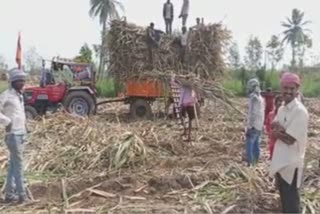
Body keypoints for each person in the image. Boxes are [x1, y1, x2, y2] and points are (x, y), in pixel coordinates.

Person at [270, 72, 309, 213]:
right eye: (285, 88)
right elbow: (275, 125)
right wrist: (278, 129)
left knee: (291, 203)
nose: (288, 91)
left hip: (291, 164)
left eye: (292, 88)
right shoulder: (281, 109)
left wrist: (277, 132)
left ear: (297, 90)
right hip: (281, 162)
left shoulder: (300, 111)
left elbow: (290, 139)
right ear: (281, 88)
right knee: (285, 201)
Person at [0, 68, 29, 203]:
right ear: (13, 82)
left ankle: (9, 194)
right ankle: (22, 196)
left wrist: (25, 129)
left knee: (13, 165)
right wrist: (7, 121)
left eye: (23, 80)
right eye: (20, 81)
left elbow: (20, 114)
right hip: (13, 135)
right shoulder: (6, 95)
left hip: (20, 133)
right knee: (19, 165)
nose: (23, 83)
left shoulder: (20, 95)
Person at [245, 78, 265, 166]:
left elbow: (253, 113)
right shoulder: (260, 98)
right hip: (259, 125)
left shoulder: (253, 98)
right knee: (256, 144)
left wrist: (249, 126)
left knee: (249, 145)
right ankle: (255, 162)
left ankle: (251, 163)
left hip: (253, 125)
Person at [265, 95, 283, 160]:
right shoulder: (271, 114)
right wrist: (269, 132)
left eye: (282, 101)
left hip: (282, 140)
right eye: (279, 101)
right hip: (273, 139)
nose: (280, 103)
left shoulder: (286, 115)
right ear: (275, 103)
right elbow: (267, 124)